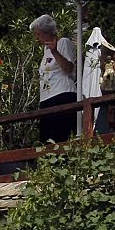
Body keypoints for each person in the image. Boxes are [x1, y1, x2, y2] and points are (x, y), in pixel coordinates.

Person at [31, 14, 78, 145]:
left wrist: (55, 52)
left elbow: (69, 68)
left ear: (47, 32)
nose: (37, 38)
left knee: (59, 138)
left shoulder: (63, 42)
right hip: (46, 98)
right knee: (46, 141)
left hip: (61, 95)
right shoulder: (46, 50)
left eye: (39, 34)